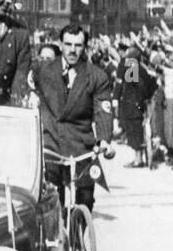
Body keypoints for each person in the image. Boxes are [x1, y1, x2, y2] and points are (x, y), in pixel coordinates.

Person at [32, 24, 114, 212]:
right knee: (52, 200)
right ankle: (56, 238)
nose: (72, 50)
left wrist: (104, 140)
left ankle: (79, 235)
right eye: (68, 44)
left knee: (85, 198)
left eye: (78, 45)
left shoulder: (96, 76)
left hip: (80, 145)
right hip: (51, 142)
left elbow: (103, 109)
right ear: (60, 44)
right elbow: (24, 80)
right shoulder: (43, 70)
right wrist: (30, 93)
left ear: (85, 46)